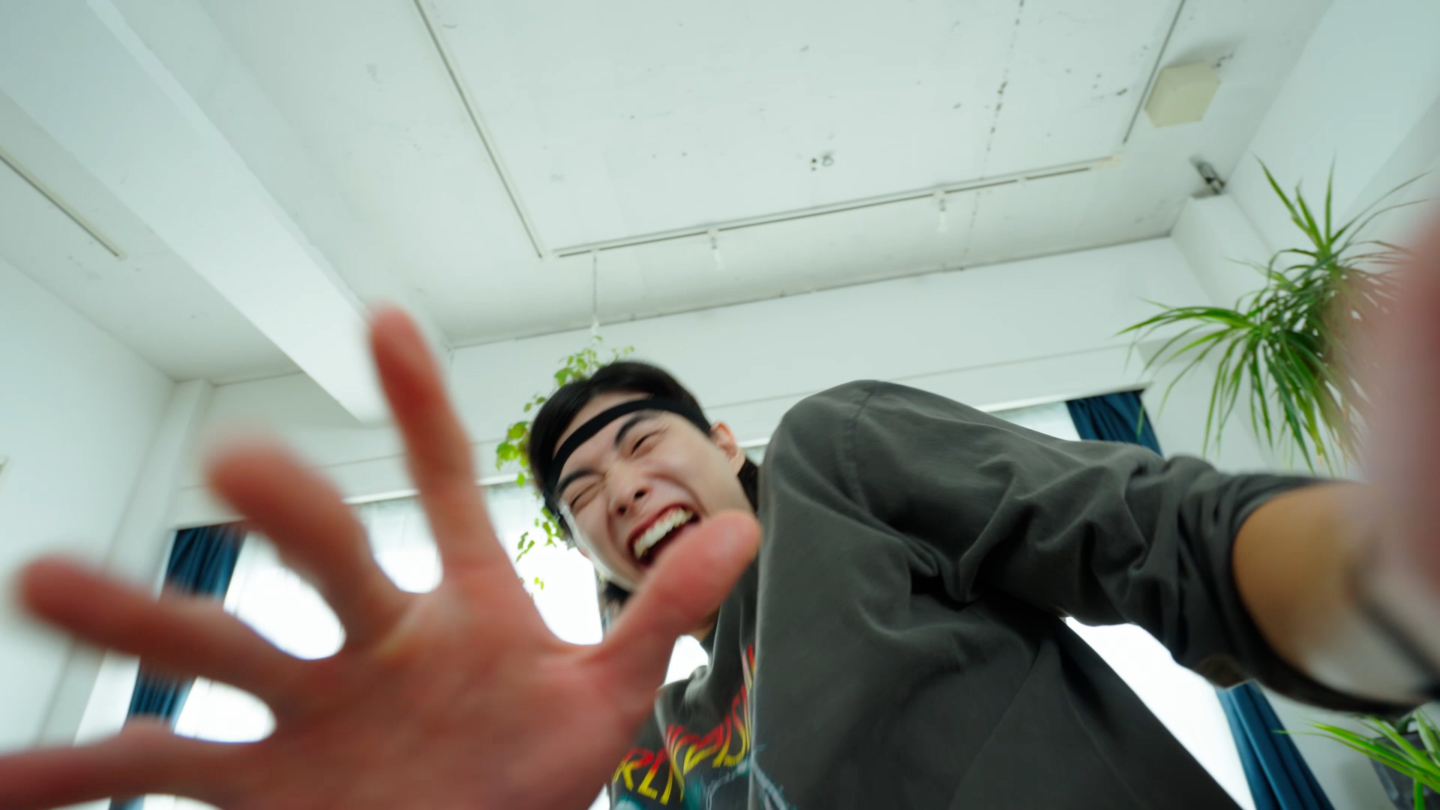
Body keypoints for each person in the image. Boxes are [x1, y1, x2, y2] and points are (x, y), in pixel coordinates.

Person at [1, 219, 1438, 809]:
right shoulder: (633, 735)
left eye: (641, 443)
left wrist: (1389, 575)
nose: (619, 486)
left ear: (723, 445)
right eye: (579, 492)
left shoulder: (830, 462)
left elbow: (1164, 540)